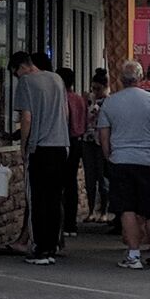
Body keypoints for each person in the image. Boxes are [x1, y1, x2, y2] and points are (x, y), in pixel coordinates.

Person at [97, 61, 150, 270]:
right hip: (147, 161)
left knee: (127, 209)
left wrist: (109, 156)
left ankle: (134, 254)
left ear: (120, 78)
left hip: (121, 160)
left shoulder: (110, 103)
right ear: (140, 78)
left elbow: (103, 136)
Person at [11, 52, 72, 264]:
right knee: (54, 198)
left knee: (37, 199)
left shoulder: (27, 82)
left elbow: (26, 118)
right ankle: (52, 246)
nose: (17, 77)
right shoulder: (57, 79)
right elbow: (65, 112)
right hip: (61, 144)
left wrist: (24, 144)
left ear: (21, 67)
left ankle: (39, 249)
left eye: (15, 73)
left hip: (40, 147)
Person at [81, 68, 112, 229]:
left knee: (103, 177)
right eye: (93, 88)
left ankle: (104, 211)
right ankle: (91, 209)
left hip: (102, 142)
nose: (95, 91)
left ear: (105, 87)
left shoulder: (109, 101)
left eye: (98, 88)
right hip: (88, 140)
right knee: (90, 177)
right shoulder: (88, 100)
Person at [60, 66, 87, 237]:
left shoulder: (63, 99)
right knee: (71, 183)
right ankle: (71, 223)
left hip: (65, 140)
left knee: (61, 183)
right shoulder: (79, 99)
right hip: (78, 141)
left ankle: (64, 223)